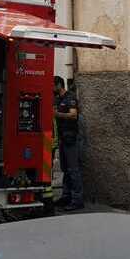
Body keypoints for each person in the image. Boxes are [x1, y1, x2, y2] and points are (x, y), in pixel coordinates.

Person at [54, 76, 84, 211]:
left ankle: (77, 200)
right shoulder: (58, 99)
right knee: (65, 169)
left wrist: (57, 114)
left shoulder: (70, 97)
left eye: (52, 86)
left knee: (73, 170)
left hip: (70, 138)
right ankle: (66, 197)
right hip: (62, 138)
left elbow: (73, 115)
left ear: (59, 85)